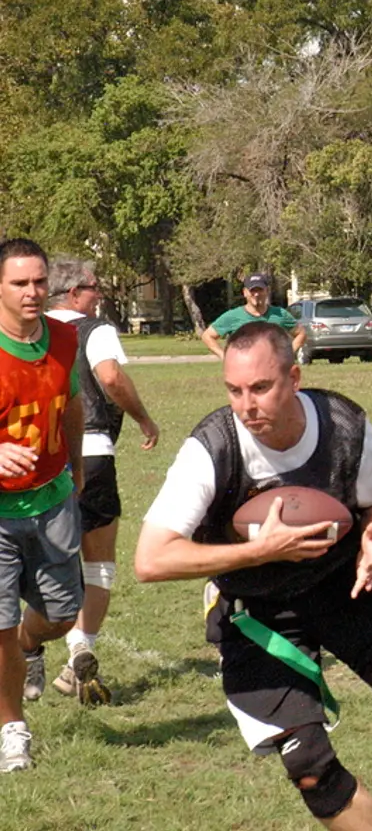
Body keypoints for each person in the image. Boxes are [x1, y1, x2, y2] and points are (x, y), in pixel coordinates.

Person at [135, 322, 372, 830]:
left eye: (261, 388)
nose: (247, 406)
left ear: (294, 377)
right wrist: (259, 551)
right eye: (234, 390)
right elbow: (150, 560)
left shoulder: (343, 424)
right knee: (311, 769)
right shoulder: (212, 449)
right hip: (256, 614)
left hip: (346, 586)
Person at [41, 257, 159, 705]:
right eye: (94, 287)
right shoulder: (94, 329)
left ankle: (32, 648)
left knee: (44, 560)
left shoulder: (29, 331)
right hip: (91, 453)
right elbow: (109, 377)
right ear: (73, 294)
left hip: (38, 460)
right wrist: (144, 417)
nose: (100, 295)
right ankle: (79, 648)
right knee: (99, 562)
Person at [0, 238, 85, 772]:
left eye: (39, 281)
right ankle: (13, 731)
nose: (33, 292)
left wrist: (76, 469)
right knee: (0, 626)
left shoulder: (65, 337)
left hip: (54, 501)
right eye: (19, 283)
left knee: (61, 614)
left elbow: (71, 402)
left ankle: (33, 645)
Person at [201, 272, 305, 360]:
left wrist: (286, 356)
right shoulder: (233, 316)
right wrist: (226, 358)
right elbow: (207, 336)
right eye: (252, 290)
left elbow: (301, 333)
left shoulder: (280, 314)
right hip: (243, 373)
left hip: (272, 372)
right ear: (245, 292)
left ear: (267, 291)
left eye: (260, 290)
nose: (256, 294)